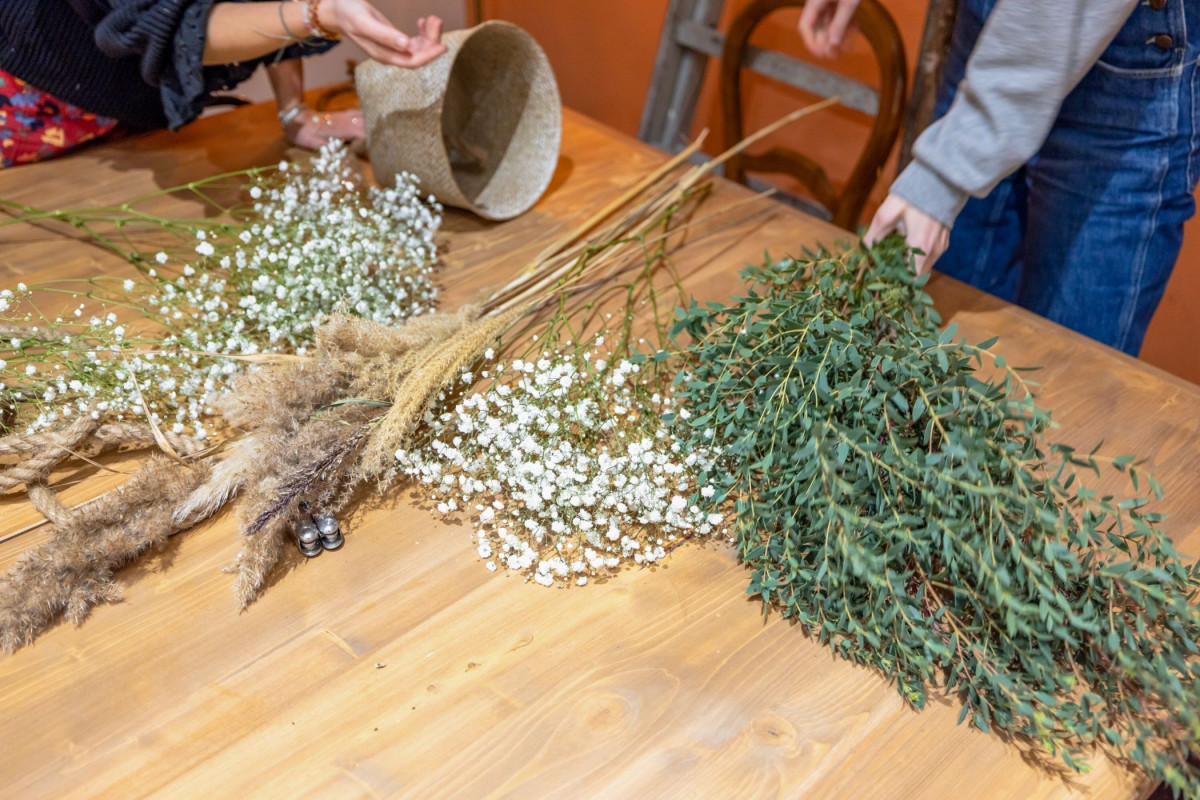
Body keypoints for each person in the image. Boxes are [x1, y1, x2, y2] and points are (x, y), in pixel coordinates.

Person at [799, 0, 1199, 357]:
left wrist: (947, 171)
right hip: (990, 32)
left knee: (1059, 383)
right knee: (922, 354)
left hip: (1127, 81)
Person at [0, 0, 447, 166]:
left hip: (132, 117)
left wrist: (293, 113)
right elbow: (171, 25)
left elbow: (271, 6)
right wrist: (320, 14)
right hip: (28, 104)